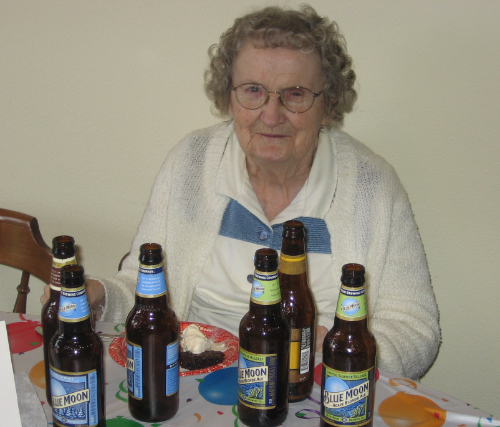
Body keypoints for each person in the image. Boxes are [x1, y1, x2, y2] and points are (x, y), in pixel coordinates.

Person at [42, 5, 440, 380]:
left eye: (295, 94)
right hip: (190, 385)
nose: (271, 115)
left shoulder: (372, 186)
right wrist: (96, 297)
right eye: (253, 91)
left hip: (311, 390)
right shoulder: (191, 162)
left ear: (329, 103)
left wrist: (341, 351)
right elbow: (144, 290)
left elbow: (416, 330)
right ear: (229, 96)